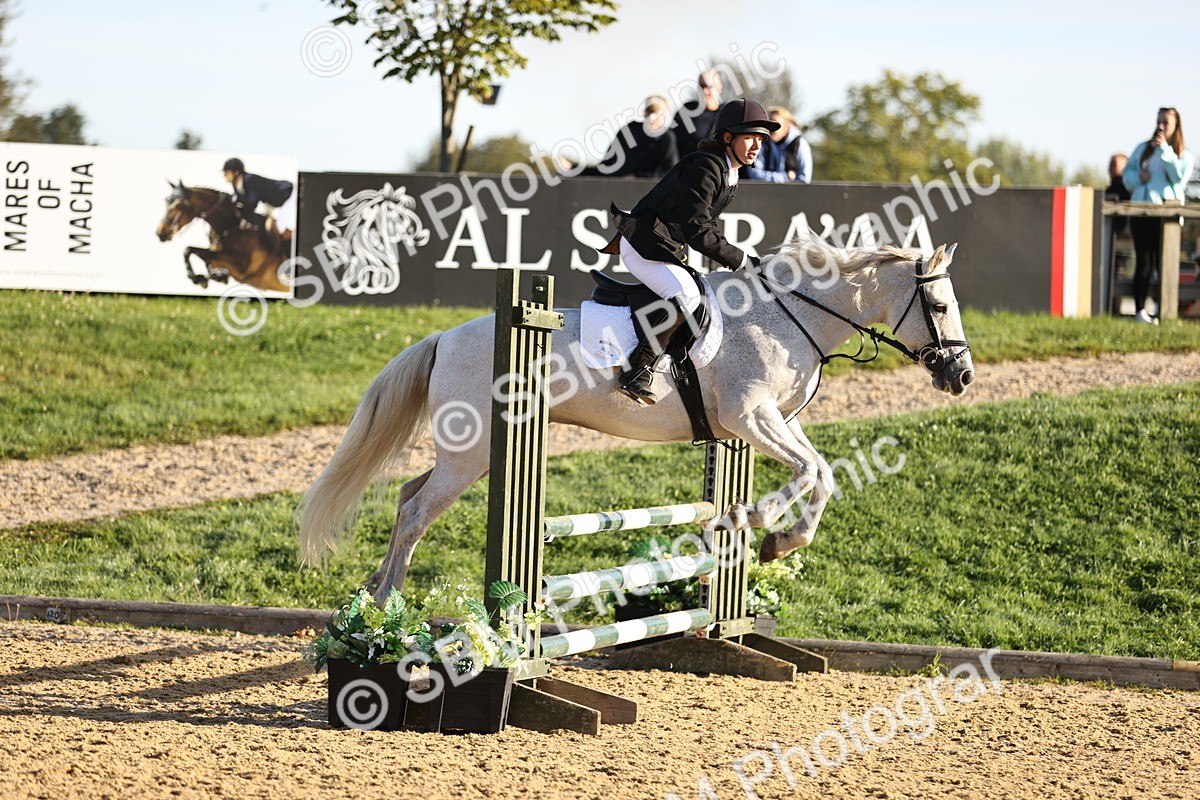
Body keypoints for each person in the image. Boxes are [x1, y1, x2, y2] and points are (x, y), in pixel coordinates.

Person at [600, 98, 779, 404]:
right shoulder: (706, 166)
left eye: (761, 139)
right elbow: (698, 232)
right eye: (750, 137)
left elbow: (705, 226)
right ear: (727, 137)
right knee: (687, 294)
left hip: (661, 247)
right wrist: (743, 261)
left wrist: (741, 260)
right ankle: (635, 371)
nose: (756, 146)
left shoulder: (728, 172)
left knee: (698, 292)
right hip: (642, 244)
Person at [1121, 108, 1195, 323]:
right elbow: (1127, 175)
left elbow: (1179, 178)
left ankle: (1163, 310)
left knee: (1163, 263)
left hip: (1166, 216)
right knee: (1143, 261)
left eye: (1166, 123)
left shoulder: (1183, 153)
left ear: (1176, 126)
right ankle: (1140, 311)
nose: (1161, 126)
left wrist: (1165, 151)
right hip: (1142, 212)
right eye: (1158, 121)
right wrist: (1139, 177)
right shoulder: (1142, 149)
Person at [594, 95, 678, 178]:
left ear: (665, 115)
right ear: (644, 112)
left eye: (657, 113)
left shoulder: (667, 138)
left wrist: (639, 177)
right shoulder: (628, 131)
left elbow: (669, 171)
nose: (652, 117)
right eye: (649, 111)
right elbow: (607, 163)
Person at [222, 157, 296, 243]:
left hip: (287, 194)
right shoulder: (235, 185)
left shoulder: (249, 179)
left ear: (236, 172)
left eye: (226, 172)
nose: (224, 175)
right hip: (271, 202)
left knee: (279, 228)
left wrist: (237, 204)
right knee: (266, 227)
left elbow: (253, 202)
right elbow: (242, 202)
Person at [741, 106, 813, 183]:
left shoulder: (800, 144)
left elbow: (804, 180)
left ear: (787, 127)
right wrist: (786, 177)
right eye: (768, 124)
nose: (770, 128)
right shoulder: (761, 142)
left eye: (776, 125)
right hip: (763, 190)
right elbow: (754, 174)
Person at [670, 69, 723, 158]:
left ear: (719, 88)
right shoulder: (685, 112)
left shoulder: (727, 114)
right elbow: (670, 141)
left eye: (709, 86)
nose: (705, 91)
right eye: (701, 86)